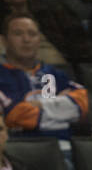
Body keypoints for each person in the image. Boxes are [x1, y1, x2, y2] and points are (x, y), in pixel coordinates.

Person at [0, 12, 87, 158]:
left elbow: (81, 102)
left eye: (32, 34)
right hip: (18, 152)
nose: (26, 39)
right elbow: (13, 116)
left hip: (64, 148)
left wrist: (39, 106)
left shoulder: (53, 74)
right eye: (18, 34)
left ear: (39, 39)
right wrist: (60, 107)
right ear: (4, 40)